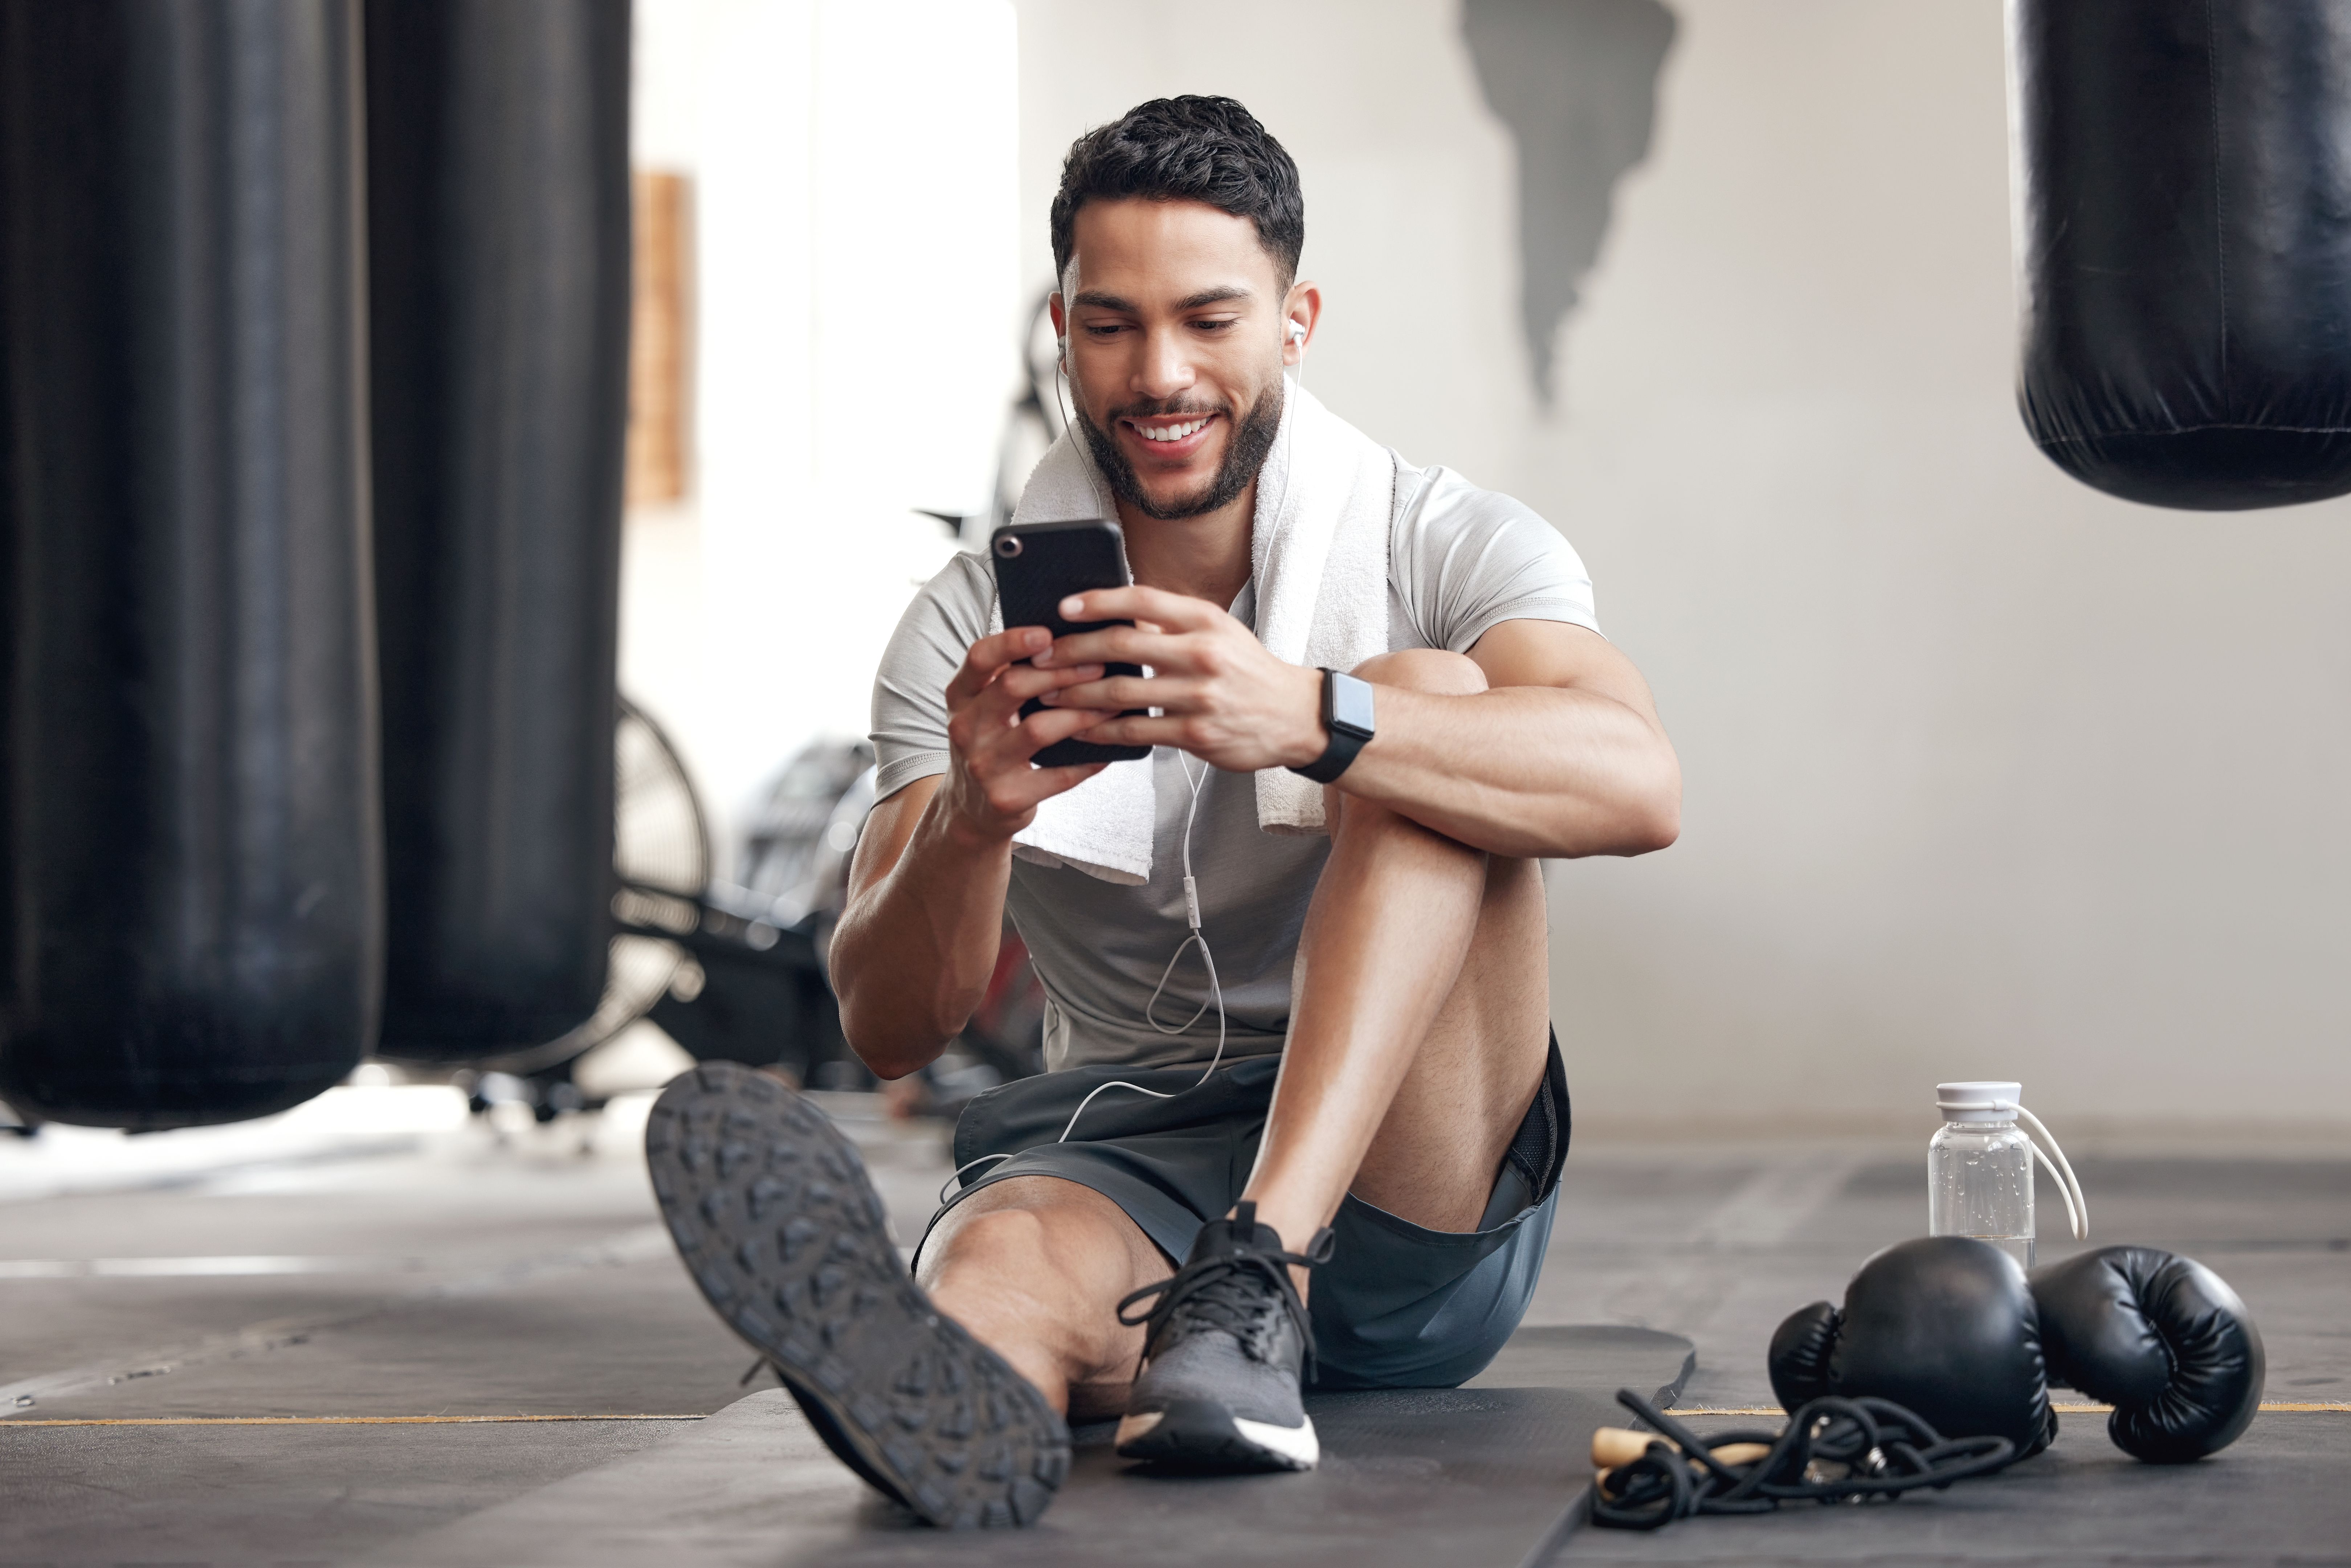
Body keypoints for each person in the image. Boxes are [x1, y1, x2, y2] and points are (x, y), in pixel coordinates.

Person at [655, 94, 1680, 1528]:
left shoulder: (1442, 541)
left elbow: (1639, 786)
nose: (1161, 373)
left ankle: (1258, 1264)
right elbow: (891, 1028)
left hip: (1408, 1175)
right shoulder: (967, 629)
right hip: (1131, 1155)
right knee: (998, 1266)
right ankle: (954, 1388)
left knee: (1421, 693)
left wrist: (1317, 719)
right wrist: (973, 823)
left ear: (1295, 319)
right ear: (1062, 328)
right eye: (1111, 324)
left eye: (1210, 318)